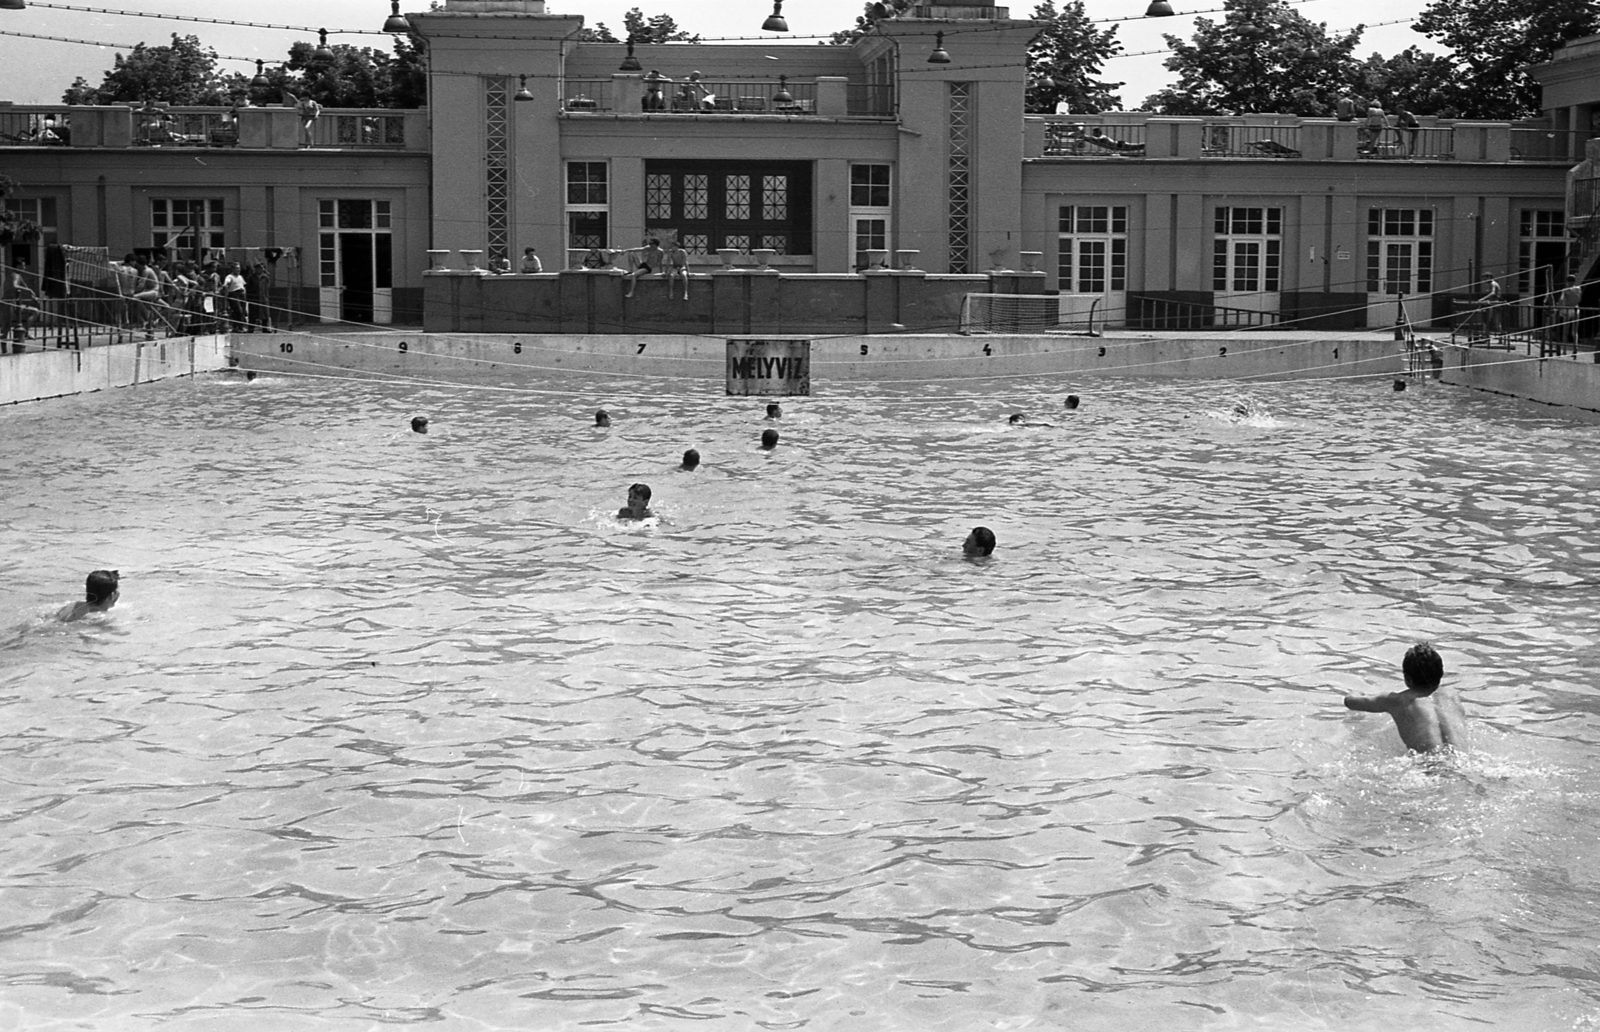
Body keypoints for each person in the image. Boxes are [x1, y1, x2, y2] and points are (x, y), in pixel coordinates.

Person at [1343, 642, 1468, 755]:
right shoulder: (1452, 696)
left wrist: (1355, 690)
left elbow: (1350, 702)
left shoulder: (1397, 700)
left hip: (1429, 765)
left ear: (1407, 678)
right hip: (1462, 761)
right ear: (1441, 673)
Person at [1556, 275, 1584, 345]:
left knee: (1566, 329)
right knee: (1574, 330)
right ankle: (1575, 346)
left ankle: (1564, 348)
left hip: (1568, 309)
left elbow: (1562, 300)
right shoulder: (1578, 289)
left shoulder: (1565, 290)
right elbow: (1579, 299)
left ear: (1567, 282)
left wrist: (1559, 307)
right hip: (1576, 309)